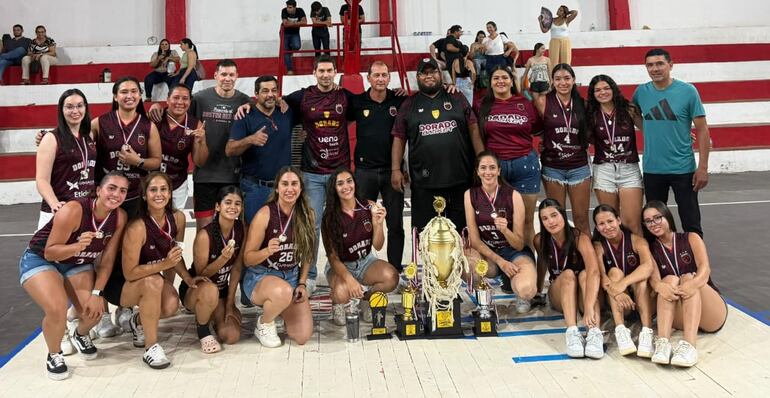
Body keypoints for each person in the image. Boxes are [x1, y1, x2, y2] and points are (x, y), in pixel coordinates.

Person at [19, 172, 129, 380]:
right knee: (57, 308)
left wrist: (98, 292)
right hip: (41, 259)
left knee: (93, 311)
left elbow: (106, 261)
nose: (116, 194)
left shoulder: (119, 217)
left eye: (122, 191)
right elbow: (50, 251)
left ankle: (80, 334)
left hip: (76, 264)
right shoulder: (74, 209)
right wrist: (77, 246)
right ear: (98, 190)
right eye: (111, 188)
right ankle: (54, 355)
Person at [103, 172, 206, 369]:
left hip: (149, 274)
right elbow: (130, 273)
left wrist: (187, 278)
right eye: (153, 190)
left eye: (163, 189)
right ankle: (151, 348)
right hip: (120, 283)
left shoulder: (178, 218)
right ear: (144, 195)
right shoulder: (137, 226)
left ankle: (138, 321)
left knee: (170, 305)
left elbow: (175, 256)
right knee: (155, 281)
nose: (159, 194)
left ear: (170, 193)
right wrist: (163, 265)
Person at [282, 55, 355, 292]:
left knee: (341, 223)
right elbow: (275, 102)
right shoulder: (303, 97)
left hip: (339, 174)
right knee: (311, 225)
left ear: (335, 71)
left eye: (329, 70)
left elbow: (371, 102)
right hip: (312, 173)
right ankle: (309, 274)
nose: (325, 75)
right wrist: (247, 105)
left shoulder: (344, 97)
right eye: (321, 71)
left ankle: (341, 269)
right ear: (314, 73)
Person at [151, 59, 251, 230]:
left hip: (233, 175)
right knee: (204, 230)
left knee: (231, 230)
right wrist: (156, 106)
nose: (227, 78)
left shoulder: (244, 100)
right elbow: (177, 110)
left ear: (237, 77)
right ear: (215, 76)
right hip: (205, 176)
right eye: (224, 74)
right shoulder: (199, 98)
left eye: (231, 75)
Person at [391, 58, 484, 233]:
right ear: (418, 77)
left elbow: (473, 129)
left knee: (463, 234)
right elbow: (399, 137)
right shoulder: (409, 104)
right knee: (427, 236)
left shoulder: (456, 96)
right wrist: (396, 169)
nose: (429, 76)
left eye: (433, 72)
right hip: (425, 183)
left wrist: (481, 162)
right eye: (424, 73)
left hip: (460, 180)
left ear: (440, 74)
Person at [474, 66, 542, 295]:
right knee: (500, 222)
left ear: (512, 81)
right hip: (497, 169)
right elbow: (478, 136)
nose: (500, 81)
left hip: (525, 166)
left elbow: (539, 131)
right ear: (490, 83)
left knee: (526, 224)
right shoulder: (483, 105)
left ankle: (533, 275)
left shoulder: (525, 103)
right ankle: (506, 272)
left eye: (504, 77)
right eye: (496, 77)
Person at [633, 48, 711, 237]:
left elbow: (702, 129)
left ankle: (696, 258)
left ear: (671, 65)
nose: (655, 68)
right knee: (654, 220)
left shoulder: (688, 91)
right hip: (653, 169)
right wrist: (652, 132)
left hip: (683, 169)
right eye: (650, 65)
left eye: (660, 63)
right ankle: (660, 259)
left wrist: (702, 168)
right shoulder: (641, 92)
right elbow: (633, 114)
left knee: (690, 220)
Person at [642, 200, 727, 367]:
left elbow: (705, 270)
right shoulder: (651, 249)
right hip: (681, 313)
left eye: (657, 218)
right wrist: (661, 287)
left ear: (667, 216)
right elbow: (655, 280)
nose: (653, 223)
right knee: (668, 281)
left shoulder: (691, 237)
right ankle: (663, 343)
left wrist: (692, 284)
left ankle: (690, 346)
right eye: (648, 221)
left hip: (710, 313)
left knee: (688, 277)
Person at [242, 166, 315, 348]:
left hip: (290, 276)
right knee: (283, 292)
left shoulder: (308, 214)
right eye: (284, 184)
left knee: (302, 336)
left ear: (301, 188)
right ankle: (264, 323)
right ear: (277, 188)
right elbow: (247, 259)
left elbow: (307, 254)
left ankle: (278, 309)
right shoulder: (265, 214)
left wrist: (302, 283)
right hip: (261, 276)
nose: (289, 189)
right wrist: (267, 251)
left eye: (294, 184)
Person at [345, 61, 406, 269]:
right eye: (376, 75)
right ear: (368, 78)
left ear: (389, 78)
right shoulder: (357, 102)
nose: (380, 79)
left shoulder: (398, 100)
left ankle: (395, 268)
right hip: (364, 172)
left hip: (392, 172)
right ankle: (362, 267)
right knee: (362, 223)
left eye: (384, 75)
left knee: (395, 223)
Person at [322, 168, 399, 325]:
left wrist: (378, 224)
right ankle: (338, 304)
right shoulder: (329, 217)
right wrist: (349, 280)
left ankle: (366, 299)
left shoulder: (368, 206)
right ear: (334, 189)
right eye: (340, 183)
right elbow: (333, 257)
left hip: (365, 261)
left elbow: (378, 246)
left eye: (349, 181)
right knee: (342, 293)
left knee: (391, 277)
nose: (346, 187)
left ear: (355, 183)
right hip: (341, 265)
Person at [464, 152, 537, 313]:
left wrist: (505, 230)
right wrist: (500, 262)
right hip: (489, 253)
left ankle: (518, 290)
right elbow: (475, 240)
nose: (487, 172)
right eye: (483, 168)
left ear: (498, 171)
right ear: (477, 171)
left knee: (527, 289)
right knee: (465, 263)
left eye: (492, 168)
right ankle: (484, 300)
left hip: (513, 253)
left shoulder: (514, 196)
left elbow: (518, 244)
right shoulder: (470, 195)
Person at [534, 198, 603, 359]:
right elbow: (542, 263)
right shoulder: (540, 239)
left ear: (563, 215)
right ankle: (572, 331)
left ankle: (594, 332)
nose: (551, 222)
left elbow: (594, 272)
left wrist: (589, 307)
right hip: (560, 294)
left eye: (554, 215)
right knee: (568, 274)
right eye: (545, 218)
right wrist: (537, 291)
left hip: (583, 295)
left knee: (585, 274)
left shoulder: (580, 238)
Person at [180, 186, 245, 352]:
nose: (233, 207)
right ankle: (202, 330)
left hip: (220, 290)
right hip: (197, 288)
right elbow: (202, 275)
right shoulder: (204, 235)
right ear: (217, 206)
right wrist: (223, 259)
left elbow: (237, 269)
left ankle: (210, 315)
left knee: (231, 336)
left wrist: (230, 304)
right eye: (228, 202)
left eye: (237, 203)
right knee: (209, 289)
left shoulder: (241, 229)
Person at [227, 75, 295, 223]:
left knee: (283, 235)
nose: (270, 94)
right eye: (265, 91)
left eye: (273, 90)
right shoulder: (245, 115)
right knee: (252, 236)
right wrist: (250, 139)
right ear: (256, 94)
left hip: (284, 189)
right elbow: (230, 149)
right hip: (255, 188)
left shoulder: (286, 112)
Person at [533, 64, 591, 235]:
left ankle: (585, 258)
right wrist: (548, 141)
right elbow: (539, 129)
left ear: (574, 80)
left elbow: (588, 133)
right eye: (558, 79)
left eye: (567, 78)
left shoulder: (583, 104)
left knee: (581, 219)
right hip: (553, 167)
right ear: (552, 81)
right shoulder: (543, 101)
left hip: (579, 166)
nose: (562, 82)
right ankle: (560, 259)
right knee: (556, 219)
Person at [93, 77, 162, 219]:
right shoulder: (100, 122)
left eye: (134, 91)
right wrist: (47, 136)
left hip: (134, 195)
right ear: (115, 97)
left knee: (132, 238)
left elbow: (156, 161)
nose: (129, 96)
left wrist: (138, 161)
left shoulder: (148, 126)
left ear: (140, 95)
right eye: (124, 92)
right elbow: (77, 136)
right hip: (107, 194)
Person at [592, 204, 655, 358]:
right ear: (597, 227)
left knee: (641, 280)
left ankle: (647, 332)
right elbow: (602, 278)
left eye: (610, 221)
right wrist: (618, 292)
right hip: (619, 303)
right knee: (614, 272)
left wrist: (622, 284)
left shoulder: (637, 241)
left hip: (643, 299)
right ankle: (620, 329)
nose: (607, 227)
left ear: (619, 220)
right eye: (601, 224)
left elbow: (648, 267)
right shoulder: (598, 246)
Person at [587, 74, 644, 234]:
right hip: (604, 170)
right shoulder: (590, 114)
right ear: (593, 94)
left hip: (629, 169)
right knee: (611, 225)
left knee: (632, 225)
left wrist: (679, 134)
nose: (602, 92)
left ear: (613, 89)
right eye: (597, 90)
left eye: (606, 88)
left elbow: (650, 130)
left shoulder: (629, 109)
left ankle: (640, 258)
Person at [36, 89, 96, 230]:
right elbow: (41, 180)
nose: (75, 111)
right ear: (61, 110)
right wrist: (55, 204)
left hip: (84, 209)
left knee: (77, 251)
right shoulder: (51, 138)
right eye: (69, 106)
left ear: (85, 108)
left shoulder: (89, 135)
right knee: (45, 252)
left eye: (79, 106)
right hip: (59, 210)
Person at [155, 84, 208, 209]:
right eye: (176, 97)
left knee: (174, 222)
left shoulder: (195, 124)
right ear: (167, 100)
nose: (180, 102)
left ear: (190, 101)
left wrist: (202, 142)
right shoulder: (156, 116)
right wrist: (155, 105)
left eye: (185, 98)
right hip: (151, 180)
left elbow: (199, 162)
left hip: (177, 183)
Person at [281, 0, 307, 75]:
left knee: (297, 46)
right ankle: (290, 70)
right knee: (286, 51)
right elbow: (285, 24)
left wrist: (291, 23)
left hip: (295, 33)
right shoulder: (284, 11)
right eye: (287, 7)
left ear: (295, 7)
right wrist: (297, 23)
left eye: (290, 7)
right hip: (284, 33)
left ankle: (291, 50)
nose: (288, 9)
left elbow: (305, 22)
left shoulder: (300, 11)